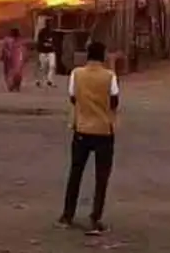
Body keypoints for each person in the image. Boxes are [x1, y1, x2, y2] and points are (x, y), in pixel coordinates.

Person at [58, 41, 119, 235]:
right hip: (104, 131)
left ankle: (67, 215)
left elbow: (73, 97)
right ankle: (95, 217)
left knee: (75, 173)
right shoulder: (110, 76)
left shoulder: (77, 74)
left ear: (87, 55)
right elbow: (114, 101)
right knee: (101, 177)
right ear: (103, 56)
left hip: (82, 129)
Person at [2, 27, 26, 92]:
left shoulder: (18, 40)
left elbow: (23, 49)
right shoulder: (8, 40)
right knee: (14, 73)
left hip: (15, 57)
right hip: (13, 58)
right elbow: (5, 48)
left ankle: (15, 85)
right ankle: (13, 85)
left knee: (15, 73)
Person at [35, 20, 57, 88]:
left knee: (52, 66)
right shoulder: (42, 32)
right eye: (49, 24)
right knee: (42, 67)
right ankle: (38, 80)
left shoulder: (53, 32)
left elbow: (55, 41)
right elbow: (39, 41)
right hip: (43, 52)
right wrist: (43, 44)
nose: (50, 25)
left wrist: (54, 46)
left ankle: (49, 80)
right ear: (46, 24)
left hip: (51, 51)